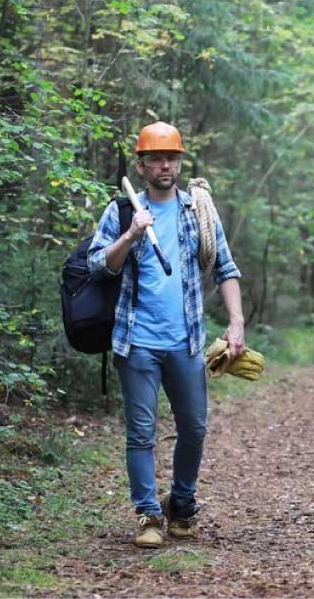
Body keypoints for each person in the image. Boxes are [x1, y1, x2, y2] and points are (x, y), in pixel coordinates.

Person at [88, 121, 245, 548]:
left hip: (187, 341)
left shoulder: (198, 210)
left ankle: (182, 504)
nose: (164, 165)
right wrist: (131, 234)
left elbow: (226, 269)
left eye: (171, 158)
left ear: (179, 163)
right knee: (141, 432)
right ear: (141, 165)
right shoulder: (122, 210)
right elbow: (98, 265)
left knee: (193, 428)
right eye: (155, 158)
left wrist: (236, 323)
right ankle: (147, 516)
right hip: (136, 341)